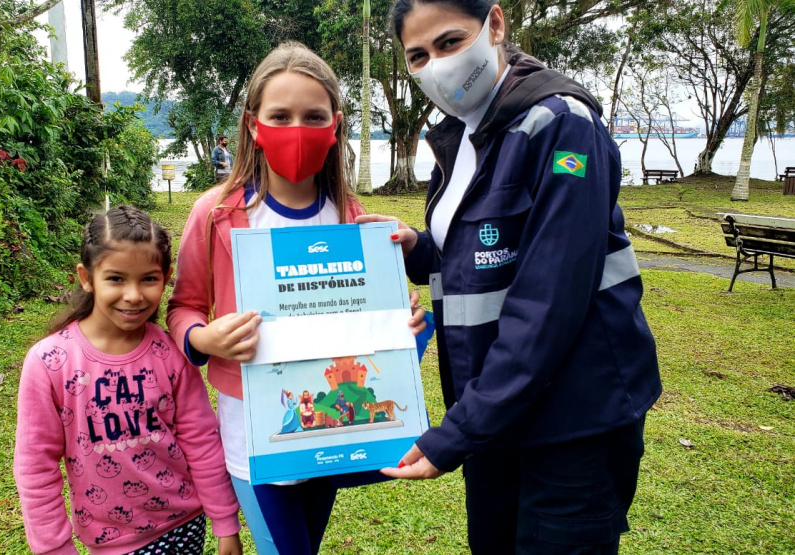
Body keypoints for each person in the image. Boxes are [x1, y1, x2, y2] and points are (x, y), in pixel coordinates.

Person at [363, 1, 663, 553]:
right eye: (418, 56)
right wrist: (417, 248)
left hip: (574, 420)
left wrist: (457, 432)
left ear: (495, 25)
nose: (437, 66)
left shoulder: (561, 123)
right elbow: (485, 251)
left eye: (450, 42)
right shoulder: (463, 136)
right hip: (498, 417)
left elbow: (548, 298)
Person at [166, 42, 426, 555]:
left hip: (333, 428)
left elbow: (374, 315)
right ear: (253, 125)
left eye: (313, 116)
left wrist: (403, 321)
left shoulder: (353, 217)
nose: (297, 130)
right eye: (279, 116)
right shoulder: (216, 213)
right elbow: (184, 306)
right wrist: (203, 338)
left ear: (336, 125)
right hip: (257, 431)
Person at [14, 206, 243, 555]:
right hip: (111, 542)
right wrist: (54, 548)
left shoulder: (171, 353)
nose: (134, 295)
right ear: (87, 277)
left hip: (185, 525)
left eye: (148, 279)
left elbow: (202, 440)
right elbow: (35, 467)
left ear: (166, 278)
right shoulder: (49, 362)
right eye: (116, 278)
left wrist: (225, 523)